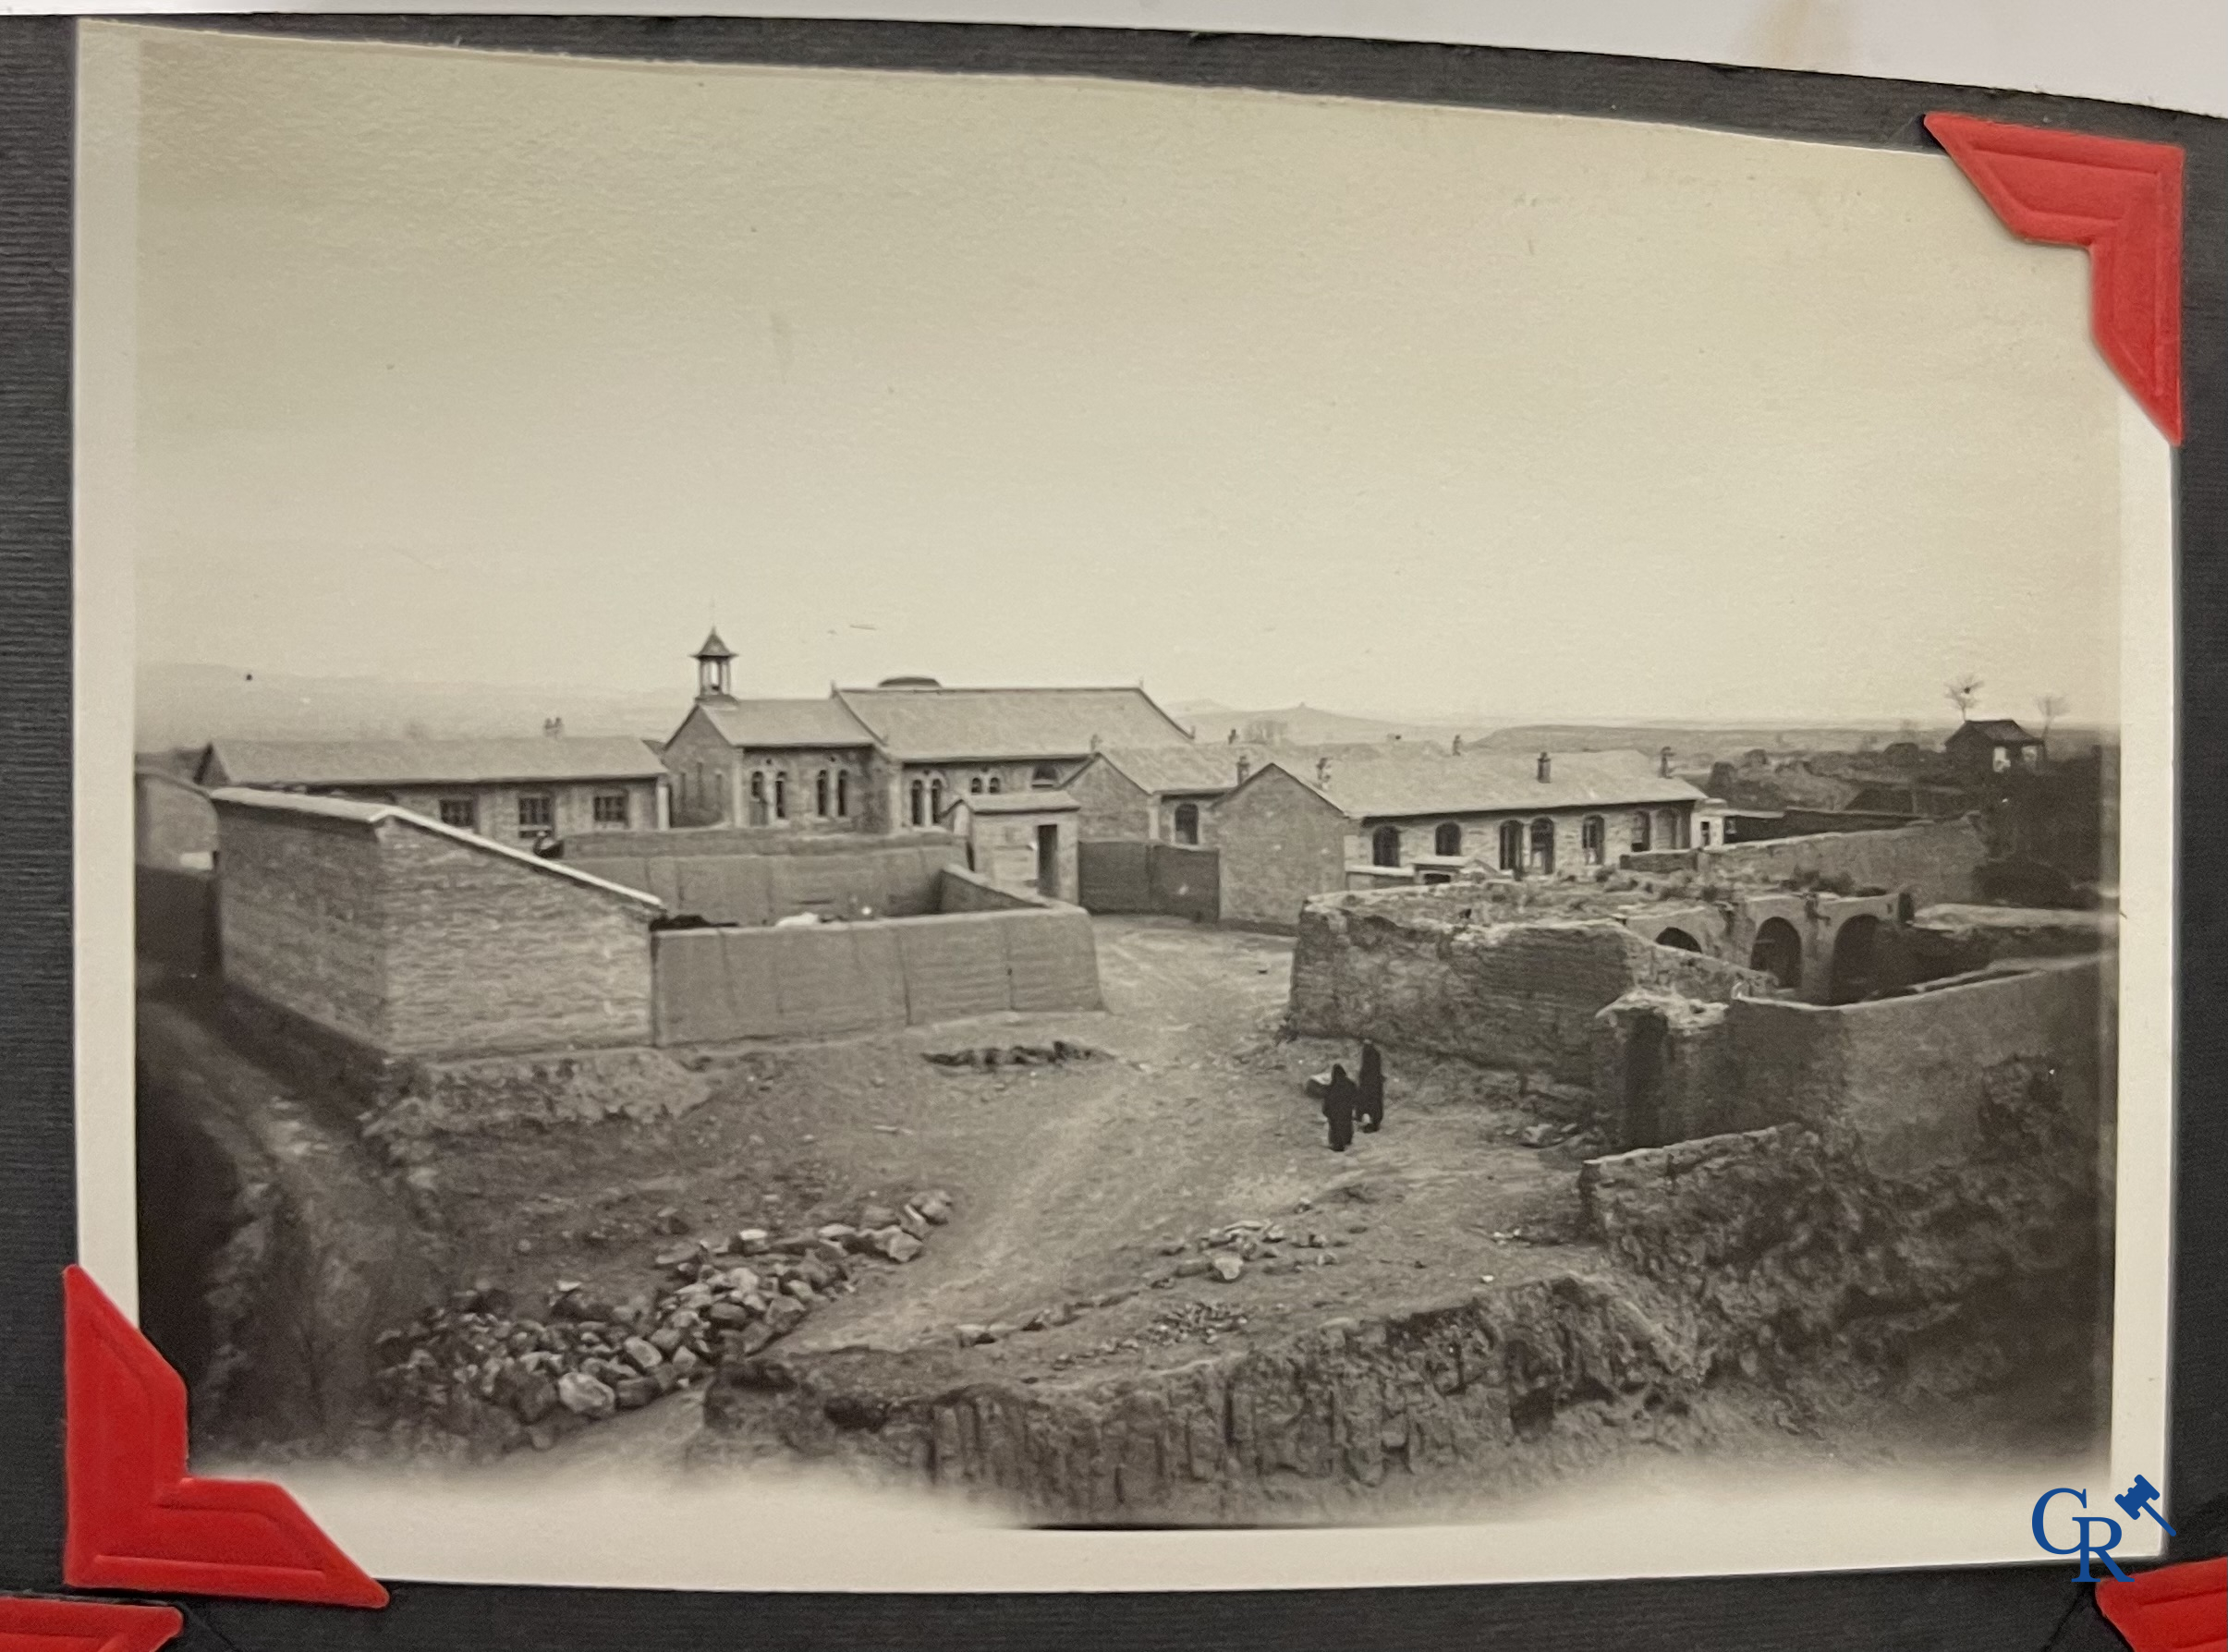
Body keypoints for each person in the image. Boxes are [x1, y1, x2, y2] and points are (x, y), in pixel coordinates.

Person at [1322, 1063, 1357, 1153]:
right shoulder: (1350, 1084)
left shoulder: (1332, 1086)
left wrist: (1326, 1111)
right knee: (1346, 1124)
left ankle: (1338, 1145)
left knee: (1336, 1127)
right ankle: (1347, 1140)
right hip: (1347, 1110)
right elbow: (1356, 1096)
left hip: (1335, 1112)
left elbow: (1327, 1099)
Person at [1357, 1041, 1384, 1133]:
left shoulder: (1369, 1056)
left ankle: (1371, 1122)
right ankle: (1374, 1122)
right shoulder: (1376, 1055)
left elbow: (1365, 1070)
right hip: (1374, 1085)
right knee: (1374, 1104)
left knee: (1367, 1104)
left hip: (1368, 1085)